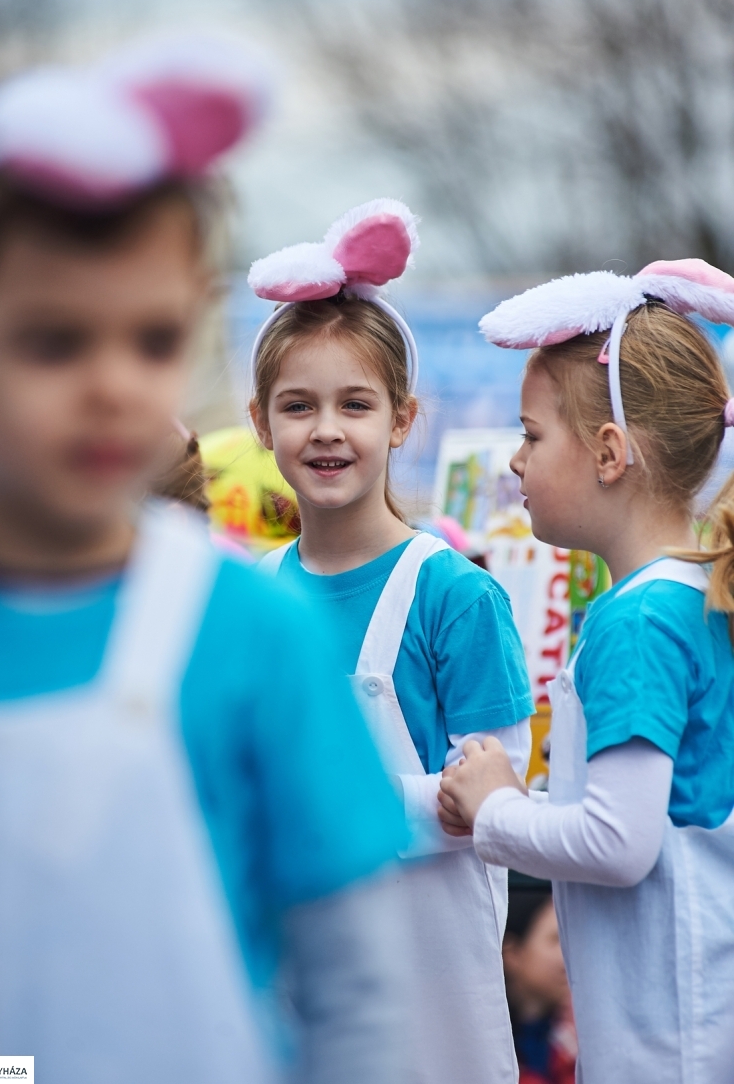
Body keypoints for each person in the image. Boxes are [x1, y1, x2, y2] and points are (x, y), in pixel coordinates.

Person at [0, 41, 410, 1084]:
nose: (113, 385)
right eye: (54, 342)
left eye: (151, 341)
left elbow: (360, 996)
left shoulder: (250, 630)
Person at [249, 199, 535, 1084]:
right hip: (295, 988)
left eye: (355, 403)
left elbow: (493, 799)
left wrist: (309, 802)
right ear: (261, 424)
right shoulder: (248, 596)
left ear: (403, 420)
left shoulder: (455, 594)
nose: (326, 428)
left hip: (432, 1003)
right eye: (298, 405)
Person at [438, 260, 734, 1083]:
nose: (514, 461)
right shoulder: (687, 594)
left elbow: (618, 840)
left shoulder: (638, 619)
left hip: (668, 1041)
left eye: (532, 434)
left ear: (610, 452)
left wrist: (495, 807)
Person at [503, 883, 576, 1084]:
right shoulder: (486, 1050)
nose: (568, 957)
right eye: (555, 940)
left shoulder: (572, 1045)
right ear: (511, 954)